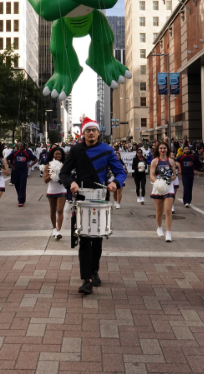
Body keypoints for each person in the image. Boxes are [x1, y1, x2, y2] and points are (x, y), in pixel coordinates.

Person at [59, 117, 126, 295]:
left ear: (98, 132)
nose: (90, 133)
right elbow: (64, 173)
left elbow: (120, 172)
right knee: (84, 238)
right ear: (83, 132)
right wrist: (71, 183)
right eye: (87, 130)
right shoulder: (76, 149)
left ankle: (94, 269)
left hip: (101, 197)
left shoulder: (107, 150)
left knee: (97, 239)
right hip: (81, 197)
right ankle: (86, 279)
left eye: (93, 130)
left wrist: (115, 183)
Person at [150, 142, 177, 242]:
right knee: (159, 210)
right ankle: (159, 227)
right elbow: (152, 174)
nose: (162, 150)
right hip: (158, 186)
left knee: (168, 210)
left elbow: (174, 175)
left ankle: (168, 233)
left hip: (169, 186)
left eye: (164, 148)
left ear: (167, 149)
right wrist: (157, 182)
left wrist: (169, 179)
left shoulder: (171, 161)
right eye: (161, 148)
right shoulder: (155, 161)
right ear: (158, 150)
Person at [44, 147, 67, 239]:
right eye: (56, 154)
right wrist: (52, 173)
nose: (58, 156)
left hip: (62, 190)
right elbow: (45, 180)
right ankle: (54, 228)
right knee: (52, 210)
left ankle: (58, 231)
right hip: (51, 191)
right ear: (53, 155)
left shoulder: (65, 165)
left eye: (60, 154)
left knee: (60, 209)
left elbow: (67, 178)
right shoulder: (48, 166)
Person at [7, 142, 38, 206]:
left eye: (22, 144)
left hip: (24, 171)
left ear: (24, 146)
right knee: (17, 186)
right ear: (17, 146)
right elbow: (6, 159)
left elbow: (36, 159)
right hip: (16, 171)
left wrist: (30, 165)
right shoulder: (14, 153)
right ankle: (21, 198)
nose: (20, 145)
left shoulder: (27, 153)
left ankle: (21, 200)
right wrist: (11, 166)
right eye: (19, 144)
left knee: (22, 185)